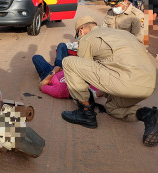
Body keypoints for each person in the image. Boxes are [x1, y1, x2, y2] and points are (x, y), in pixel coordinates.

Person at [61, 16, 157, 147]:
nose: (78, 38)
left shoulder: (87, 39)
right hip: (149, 84)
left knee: (69, 63)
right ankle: (149, 115)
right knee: (113, 108)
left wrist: (81, 95)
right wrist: (103, 93)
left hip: (128, 82)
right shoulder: (120, 33)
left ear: (81, 30)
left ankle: (85, 113)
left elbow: (84, 73)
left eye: (77, 35)